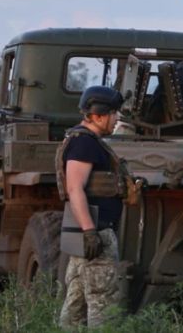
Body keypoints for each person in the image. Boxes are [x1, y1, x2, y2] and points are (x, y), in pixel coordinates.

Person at [56, 85, 126, 328]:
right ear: (97, 115)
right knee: (103, 306)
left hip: (88, 233)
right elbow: (75, 188)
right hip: (95, 233)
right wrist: (89, 231)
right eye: (113, 113)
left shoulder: (85, 141)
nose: (116, 119)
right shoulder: (84, 143)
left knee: (76, 304)